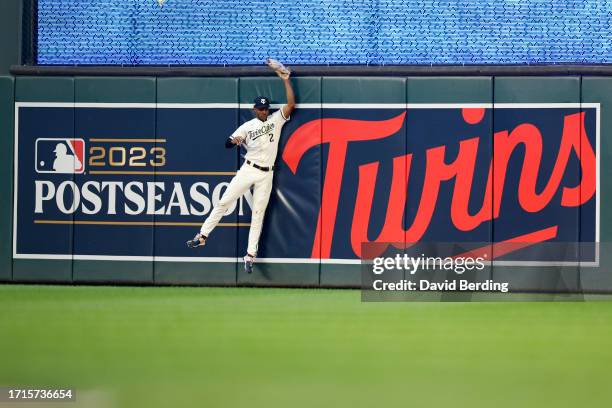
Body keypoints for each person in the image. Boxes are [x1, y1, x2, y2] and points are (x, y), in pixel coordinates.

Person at [186, 63, 295, 274]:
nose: (264, 111)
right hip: (249, 169)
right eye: (261, 108)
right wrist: (235, 140)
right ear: (255, 109)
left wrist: (285, 79)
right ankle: (202, 236)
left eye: (266, 108)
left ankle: (250, 255)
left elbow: (291, 104)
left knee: (258, 214)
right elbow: (227, 142)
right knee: (224, 201)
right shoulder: (247, 127)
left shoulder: (275, 120)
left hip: (267, 173)